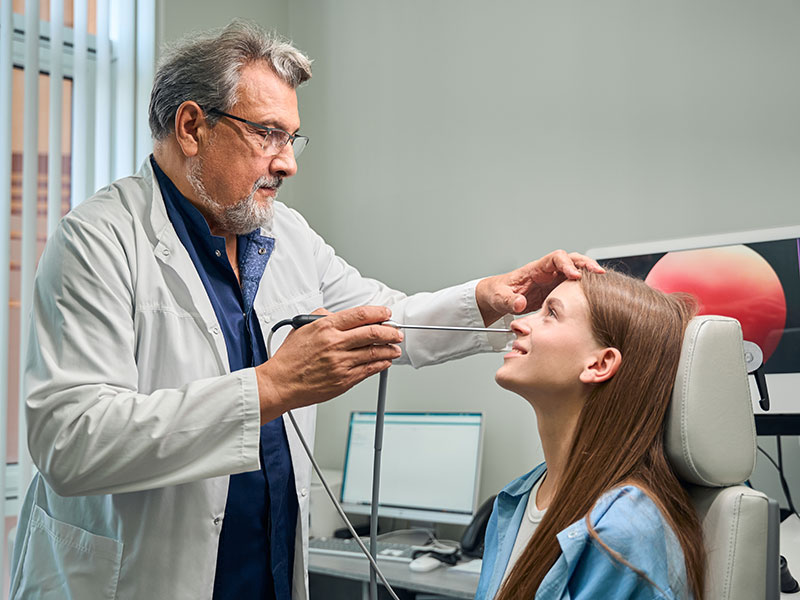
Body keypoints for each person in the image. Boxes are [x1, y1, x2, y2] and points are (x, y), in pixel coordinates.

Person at [8, 20, 603, 600]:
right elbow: (71, 442)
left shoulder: (283, 234)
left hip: (264, 571)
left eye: (292, 138)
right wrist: (272, 386)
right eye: (266, 134)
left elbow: (384, 319)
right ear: (192, 127)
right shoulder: (99, 238)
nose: (287, 162)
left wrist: (493, 300)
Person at [475, 269, 706, 599]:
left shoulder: (622, 532)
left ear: (600, 364)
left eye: (551, 313)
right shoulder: (516, 498)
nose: (517, 322)